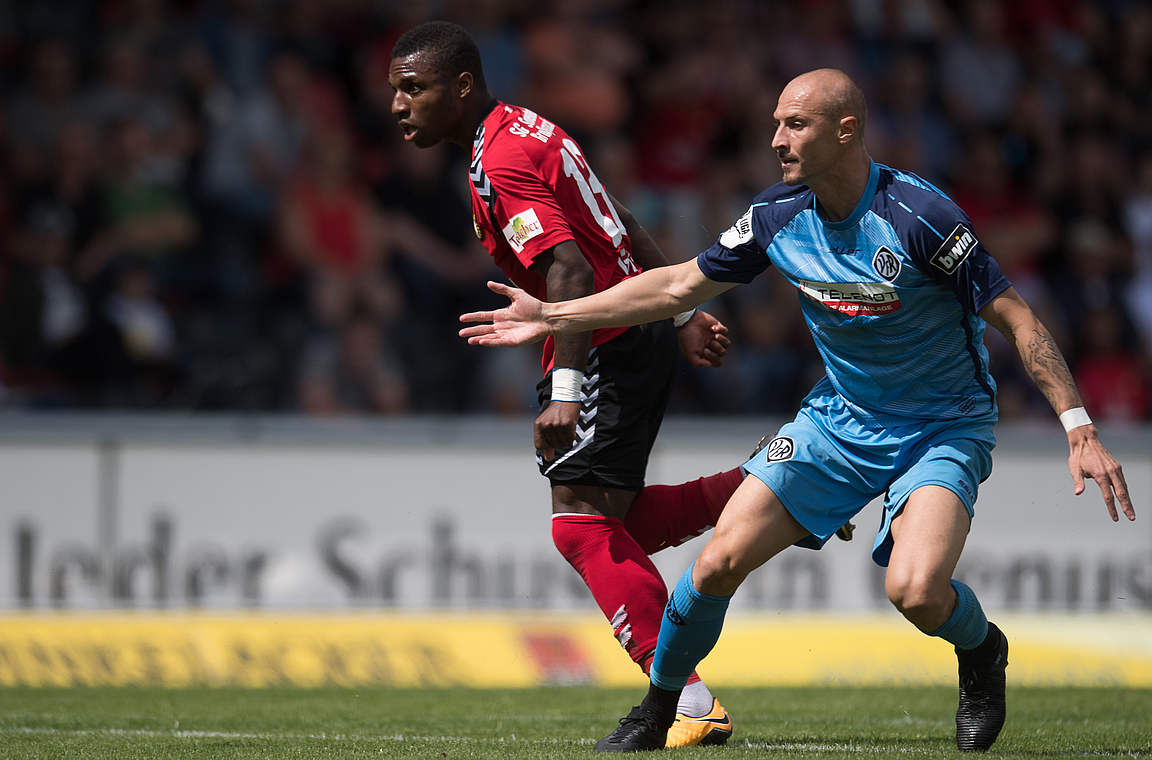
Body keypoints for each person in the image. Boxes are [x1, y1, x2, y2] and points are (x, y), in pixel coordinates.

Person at [459, 68, 1135, 753]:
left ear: (845, 131)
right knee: (718, 562)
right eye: (777, 123)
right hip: (838, 420)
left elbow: (1019, 320)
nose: (777, 139)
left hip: (941, 426)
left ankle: (983, 651)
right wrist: (552, 314)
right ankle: (664, 708)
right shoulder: (778, 214)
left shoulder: (920, 217)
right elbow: (674, 287)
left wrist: (1078, 427)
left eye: (795, 125)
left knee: (915, 590)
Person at [389, 21, 744, 747]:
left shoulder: (504, 155)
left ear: (460, 87)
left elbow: (573, 272)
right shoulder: (529, 132)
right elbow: (618, 224)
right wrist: (681, 311)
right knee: (615, 525)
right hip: (629, 329)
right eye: (395, 90)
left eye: (413, 88)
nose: (398, 104)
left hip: (605, 342)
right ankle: (772, 491)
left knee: (579, 526)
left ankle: (688, 700)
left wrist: (566, 391)